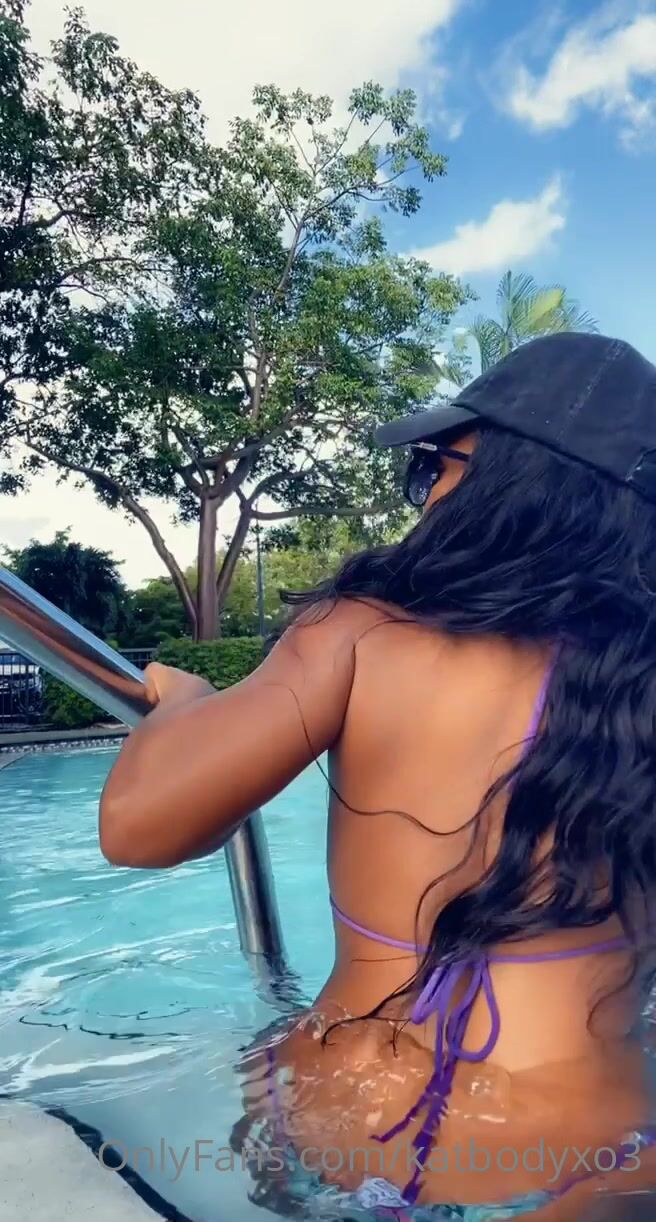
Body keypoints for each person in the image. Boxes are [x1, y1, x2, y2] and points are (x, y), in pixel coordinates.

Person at [99, 332, 656, 1221]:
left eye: (432, 465)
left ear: (500, 481)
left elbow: (137, 828)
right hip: (597, 1168)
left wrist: (185, 706)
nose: (422, 492)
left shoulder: (361, 631)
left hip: (328, 1133)